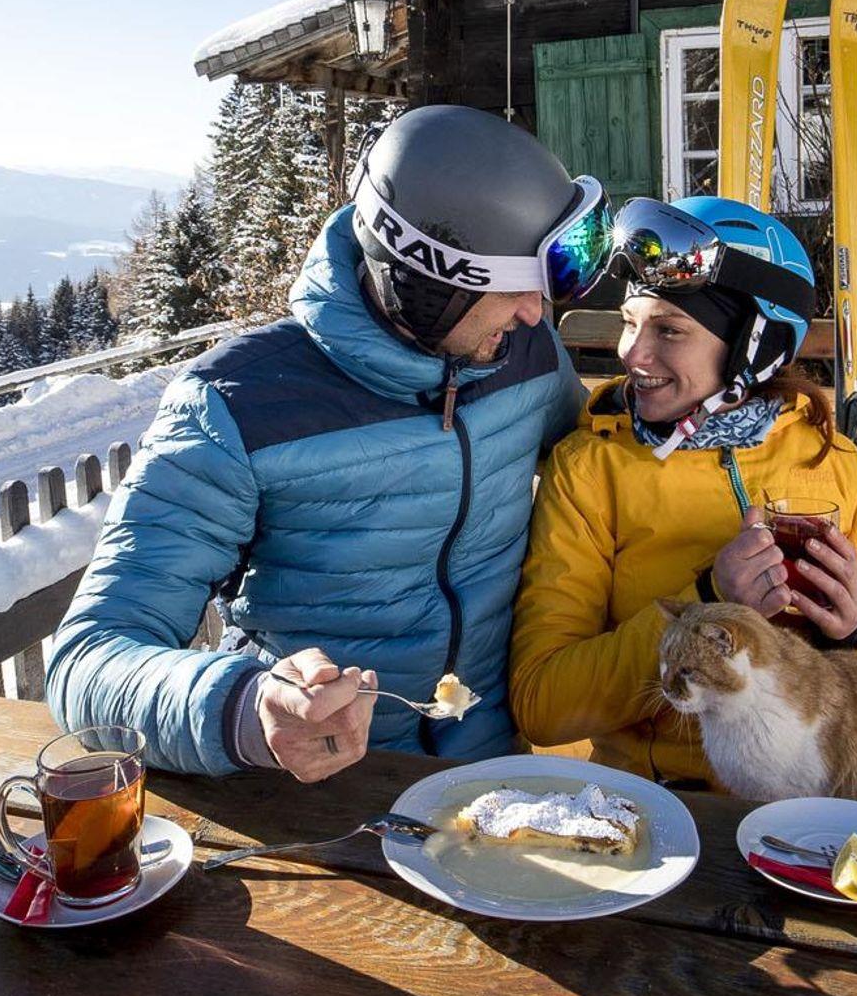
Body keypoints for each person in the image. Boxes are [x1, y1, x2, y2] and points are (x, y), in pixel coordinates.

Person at [46, 105, 603, 780]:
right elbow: (88, 660)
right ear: (429, 287)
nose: (536, 313)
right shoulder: (238, 407)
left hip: (492, 772)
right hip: (323, 783)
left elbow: (601, 472)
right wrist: (248, 710)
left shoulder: (526, 356)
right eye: (512, 286)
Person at [509, 194, 857, 786]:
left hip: (821, 803)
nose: (631, 353)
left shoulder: (833, 463)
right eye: (630, 322)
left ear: (754, 346)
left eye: (669, 330)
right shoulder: (591, 469)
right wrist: (705, 598)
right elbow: (542, 704)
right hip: (665, 801)